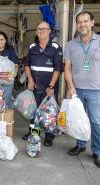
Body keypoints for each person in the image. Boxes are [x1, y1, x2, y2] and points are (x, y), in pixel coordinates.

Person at [64, 11, 100, 168]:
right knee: (78, 119)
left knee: (96, 122)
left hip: (96, 90)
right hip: (77, 89)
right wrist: (71, 87)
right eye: (79, 22)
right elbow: (67, 68)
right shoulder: (71, 45)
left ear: (92, 22)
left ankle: (97, 151)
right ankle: (80, 145)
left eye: (85, 21)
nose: (82, 24)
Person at [22, 21, 63, 147]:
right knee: (34, 110)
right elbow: (27, 65)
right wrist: (30, 79)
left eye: (44, 29)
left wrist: (51, 86)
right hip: (35, 86)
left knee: (49, 111)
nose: (41, 31)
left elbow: (58, 68)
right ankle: (35, 133)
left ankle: (49, 136)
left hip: (49, 87)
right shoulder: (32, 47)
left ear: (49, 31)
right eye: (39, 29)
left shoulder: (56, 47)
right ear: (36, 32)